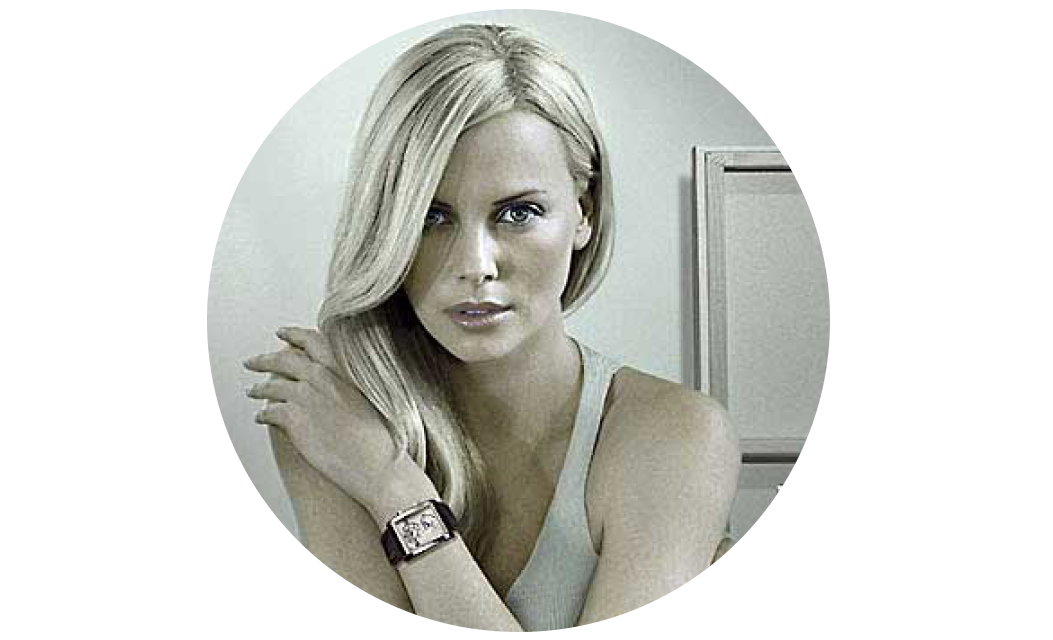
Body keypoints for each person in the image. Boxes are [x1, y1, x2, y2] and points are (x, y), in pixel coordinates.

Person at [244, 24, 740, 631]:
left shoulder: (677, 435)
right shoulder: (331, 413)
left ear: (583, 212)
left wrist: (392, 486)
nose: (475, 265)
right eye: (431, 217)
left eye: (518, 212)